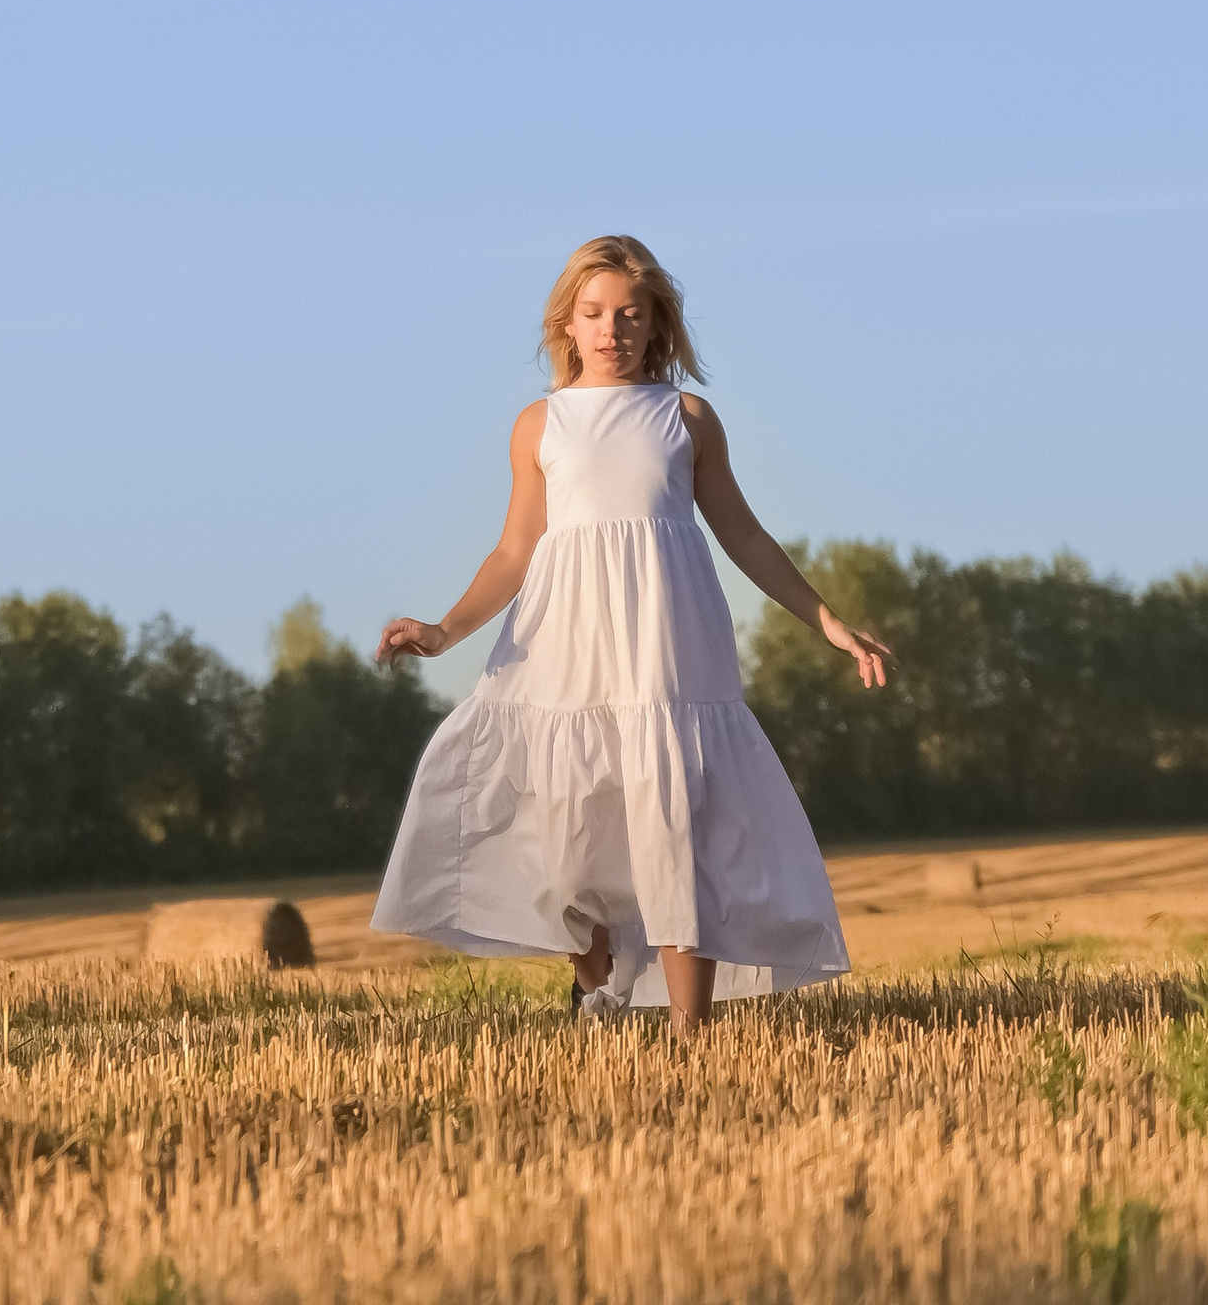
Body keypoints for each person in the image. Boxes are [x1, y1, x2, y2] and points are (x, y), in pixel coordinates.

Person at [371, 235, 894, 1037]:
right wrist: (445, 632)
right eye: (593, 314)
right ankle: (600, 988)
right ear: (567, 326)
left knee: (677, 824)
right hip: (564, 646)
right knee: (568, 838)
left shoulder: (686, 418)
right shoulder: (539, 425)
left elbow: (744, 536)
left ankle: (691, 1030)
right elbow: (515, 550)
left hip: (669, 649)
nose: (611, 328)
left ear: (657, 327)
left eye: (629, 314)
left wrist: (826, 621)